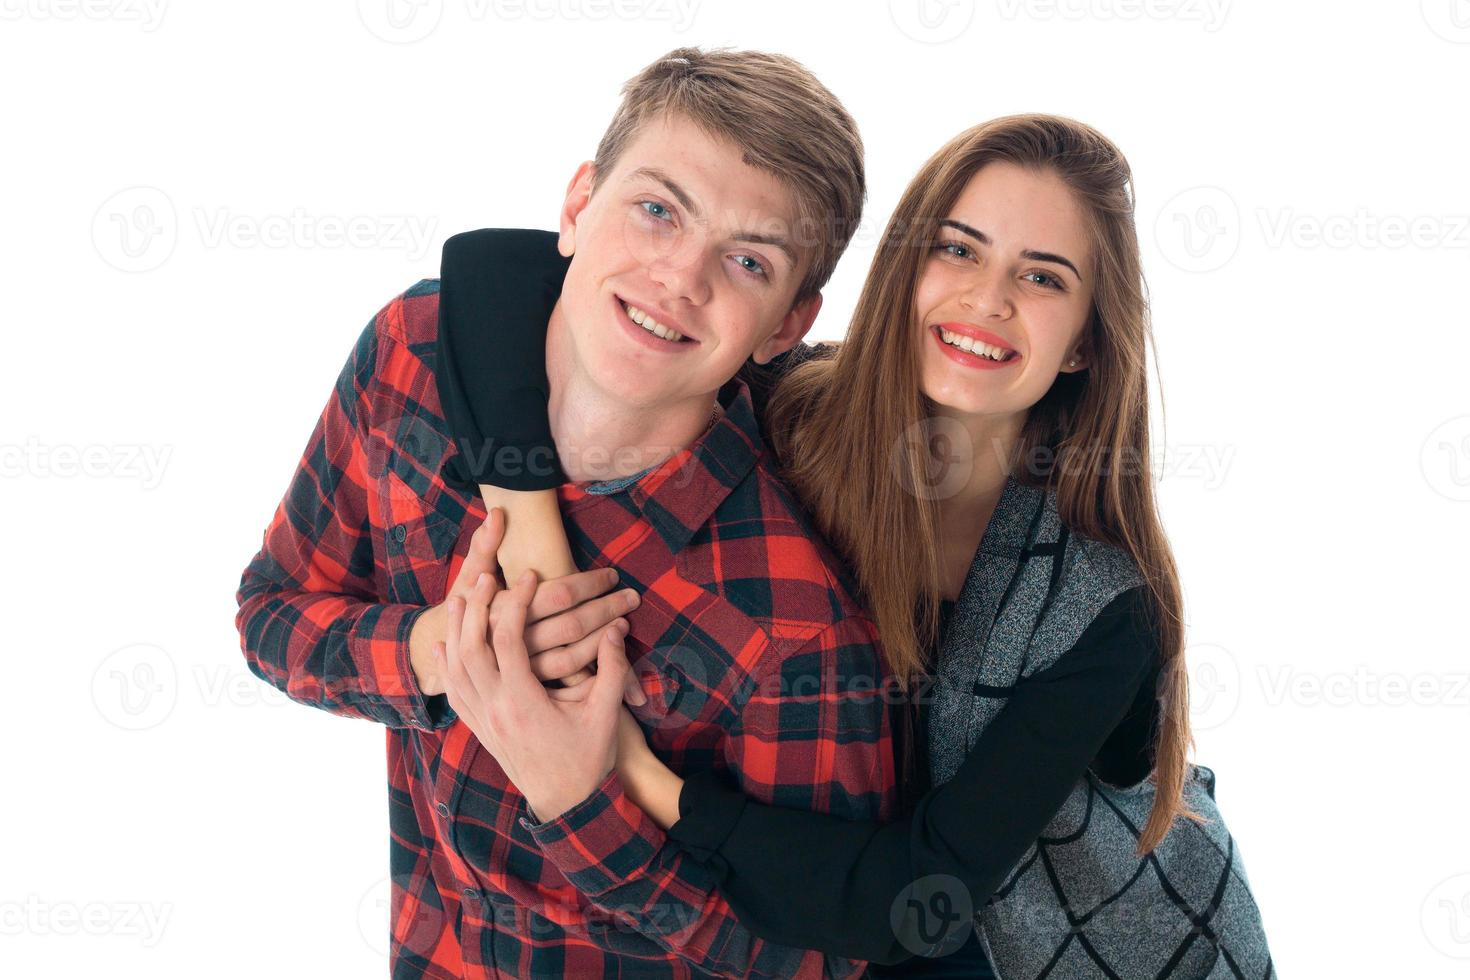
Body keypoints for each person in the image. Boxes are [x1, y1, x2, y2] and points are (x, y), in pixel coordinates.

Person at [439, 115, 1273, 977]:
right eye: (959, 250)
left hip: (1067, 944)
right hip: (843, 917)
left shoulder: (1104, 605)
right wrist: (536, 552)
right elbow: (493, 272)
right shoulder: (782, 401)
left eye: (1042, 277)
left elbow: (917, 901)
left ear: (1085, 343)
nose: (989, 299)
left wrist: (621, 765)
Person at [236, 47, 902, 978]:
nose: (681, 277)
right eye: (658, 210)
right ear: (579, 205)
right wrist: (442, 655)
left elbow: (818, 965)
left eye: (748, 261)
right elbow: (270, 613)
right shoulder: (409, 354)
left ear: (788, 324)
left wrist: (581, 799)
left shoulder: (797, 624)